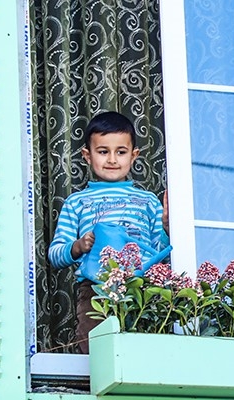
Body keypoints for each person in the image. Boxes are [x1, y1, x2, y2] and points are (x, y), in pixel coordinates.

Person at [48, 111, 170, 353]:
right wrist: (78, 246)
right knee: (97, 350)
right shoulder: (77, 202)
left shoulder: (148, 201)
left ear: (134, 155)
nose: (112, 159)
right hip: (95, 289)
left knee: (143, 351)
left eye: (121, 152)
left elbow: (160, 254)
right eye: (103, 151)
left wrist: (167, 229)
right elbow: (55, 255)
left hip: (141, 290)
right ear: (87, 155)